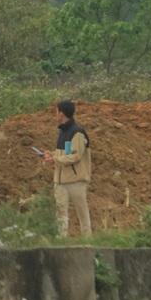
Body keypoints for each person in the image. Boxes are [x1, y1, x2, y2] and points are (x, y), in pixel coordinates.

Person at [43, 100, 92, 237]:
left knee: (82, 213)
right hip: (60, 181)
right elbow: (64, 154)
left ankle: (88, 241)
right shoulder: (62, 131)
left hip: (75, 180)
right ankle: (61, 242)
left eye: (56, 111)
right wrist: (50, 156)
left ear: (61, 113)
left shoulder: (78, 132)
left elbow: (75, 156)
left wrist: (55, 159)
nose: (55, 114)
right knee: (61, 214)